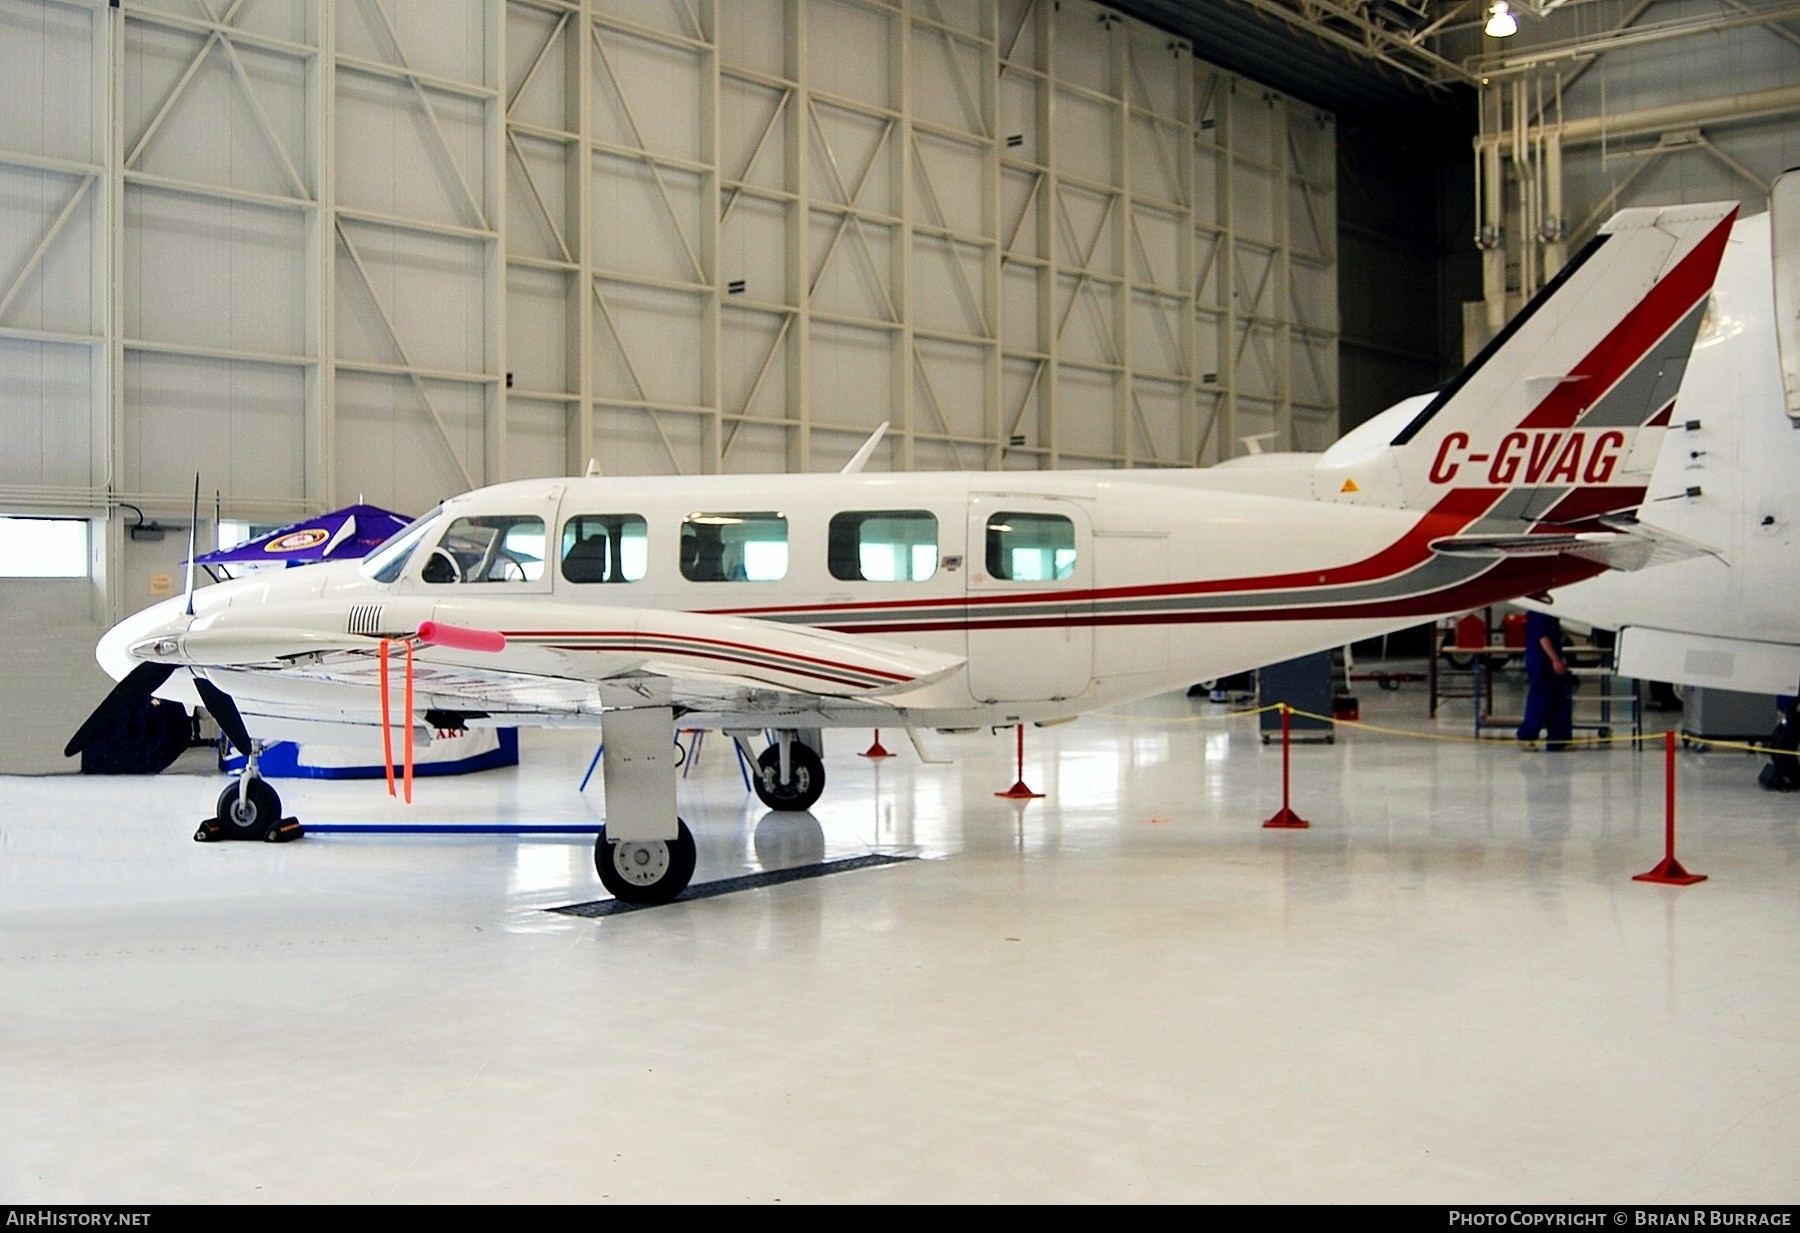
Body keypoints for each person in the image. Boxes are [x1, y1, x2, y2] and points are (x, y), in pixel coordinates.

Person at [1517, 610, 1573, 750]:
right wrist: (1555, 660)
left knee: (1558, 701)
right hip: (1542, 662)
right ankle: (1527, 737)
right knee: (1541, 702)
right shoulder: (1540, 610)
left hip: (1548, 661)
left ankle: (1558, 740)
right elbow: (1543, 637)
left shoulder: (1550, 610)